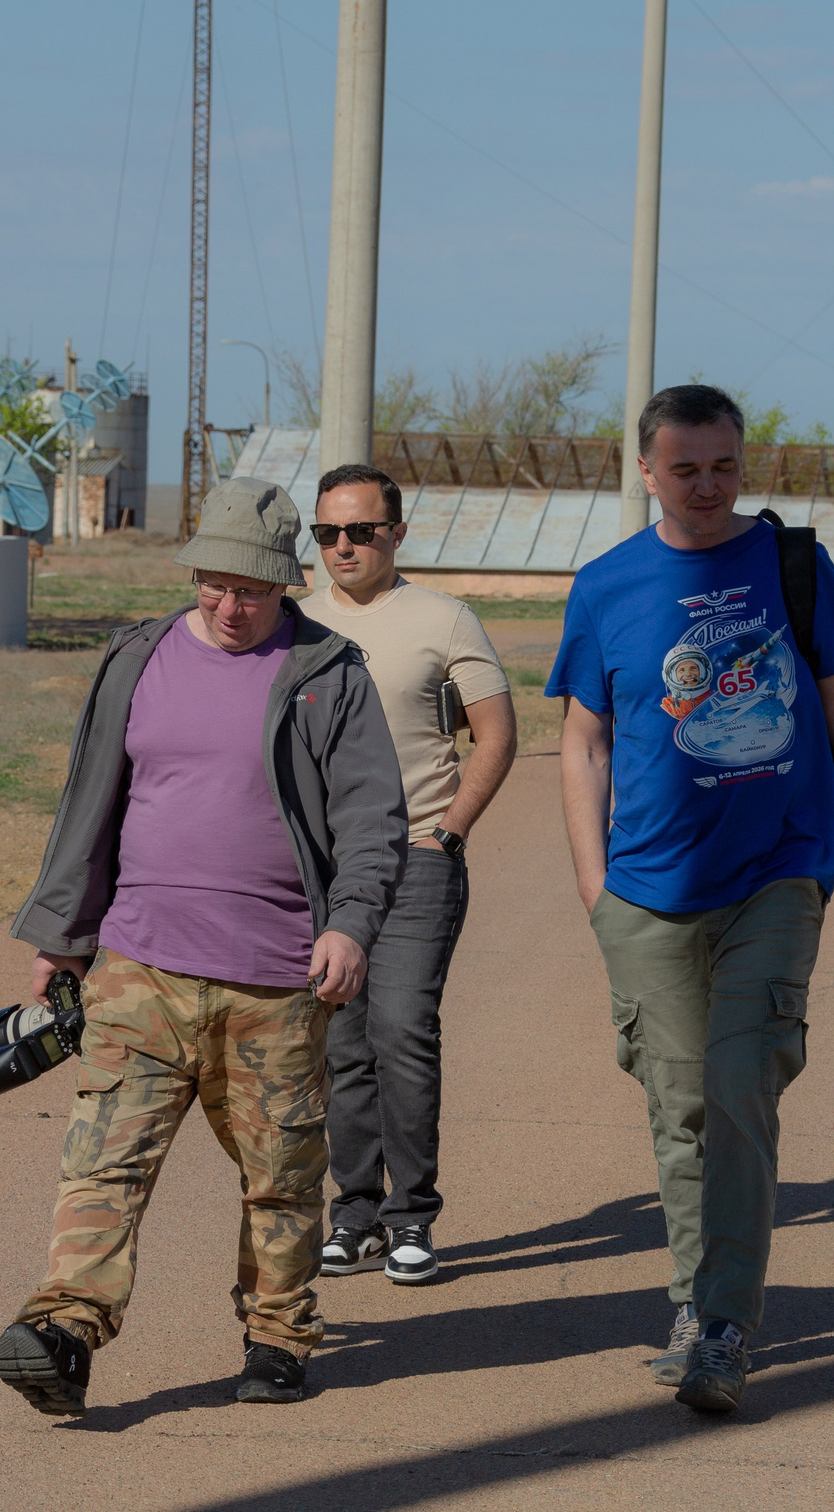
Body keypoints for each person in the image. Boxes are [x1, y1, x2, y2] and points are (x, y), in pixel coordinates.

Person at [0, 476, 409, 1417]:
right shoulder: (137, 657)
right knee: (105, 1157)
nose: (229, 605)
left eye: (251, 590)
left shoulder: (329, 673)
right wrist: (61, 937)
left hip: (278, 979)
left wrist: (350, 922)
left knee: (283, 1175)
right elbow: (89, 803)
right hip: (141, 967)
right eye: (213, 584)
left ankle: (276, 1335)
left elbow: (375, 818)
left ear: (285, 584)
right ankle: (63, 1331)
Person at [547, 383, 834, 1417]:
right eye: (683, 468)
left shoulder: (792, 565)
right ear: (647, 472)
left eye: (722, 466)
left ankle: (722, 1323)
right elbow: (582, 739)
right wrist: (592, 882)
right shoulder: (607, 585)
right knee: (681, 1102)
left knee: (741, 1082)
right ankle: (691, 1297)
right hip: (648, 887)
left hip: (778, 870)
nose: (705, 487)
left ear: (742, 465)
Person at [300, 462, 519, 1283]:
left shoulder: (444, 618)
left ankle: (411, 1216)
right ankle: (353, 1210)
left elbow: (496, 733)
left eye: (361, 530)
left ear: (396, 531)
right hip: (324, 869)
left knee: (400, 1028)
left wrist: (450, 829)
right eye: (328, 534)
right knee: (340, 1042)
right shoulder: (296, 624)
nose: (344, 546)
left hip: (417, 858)